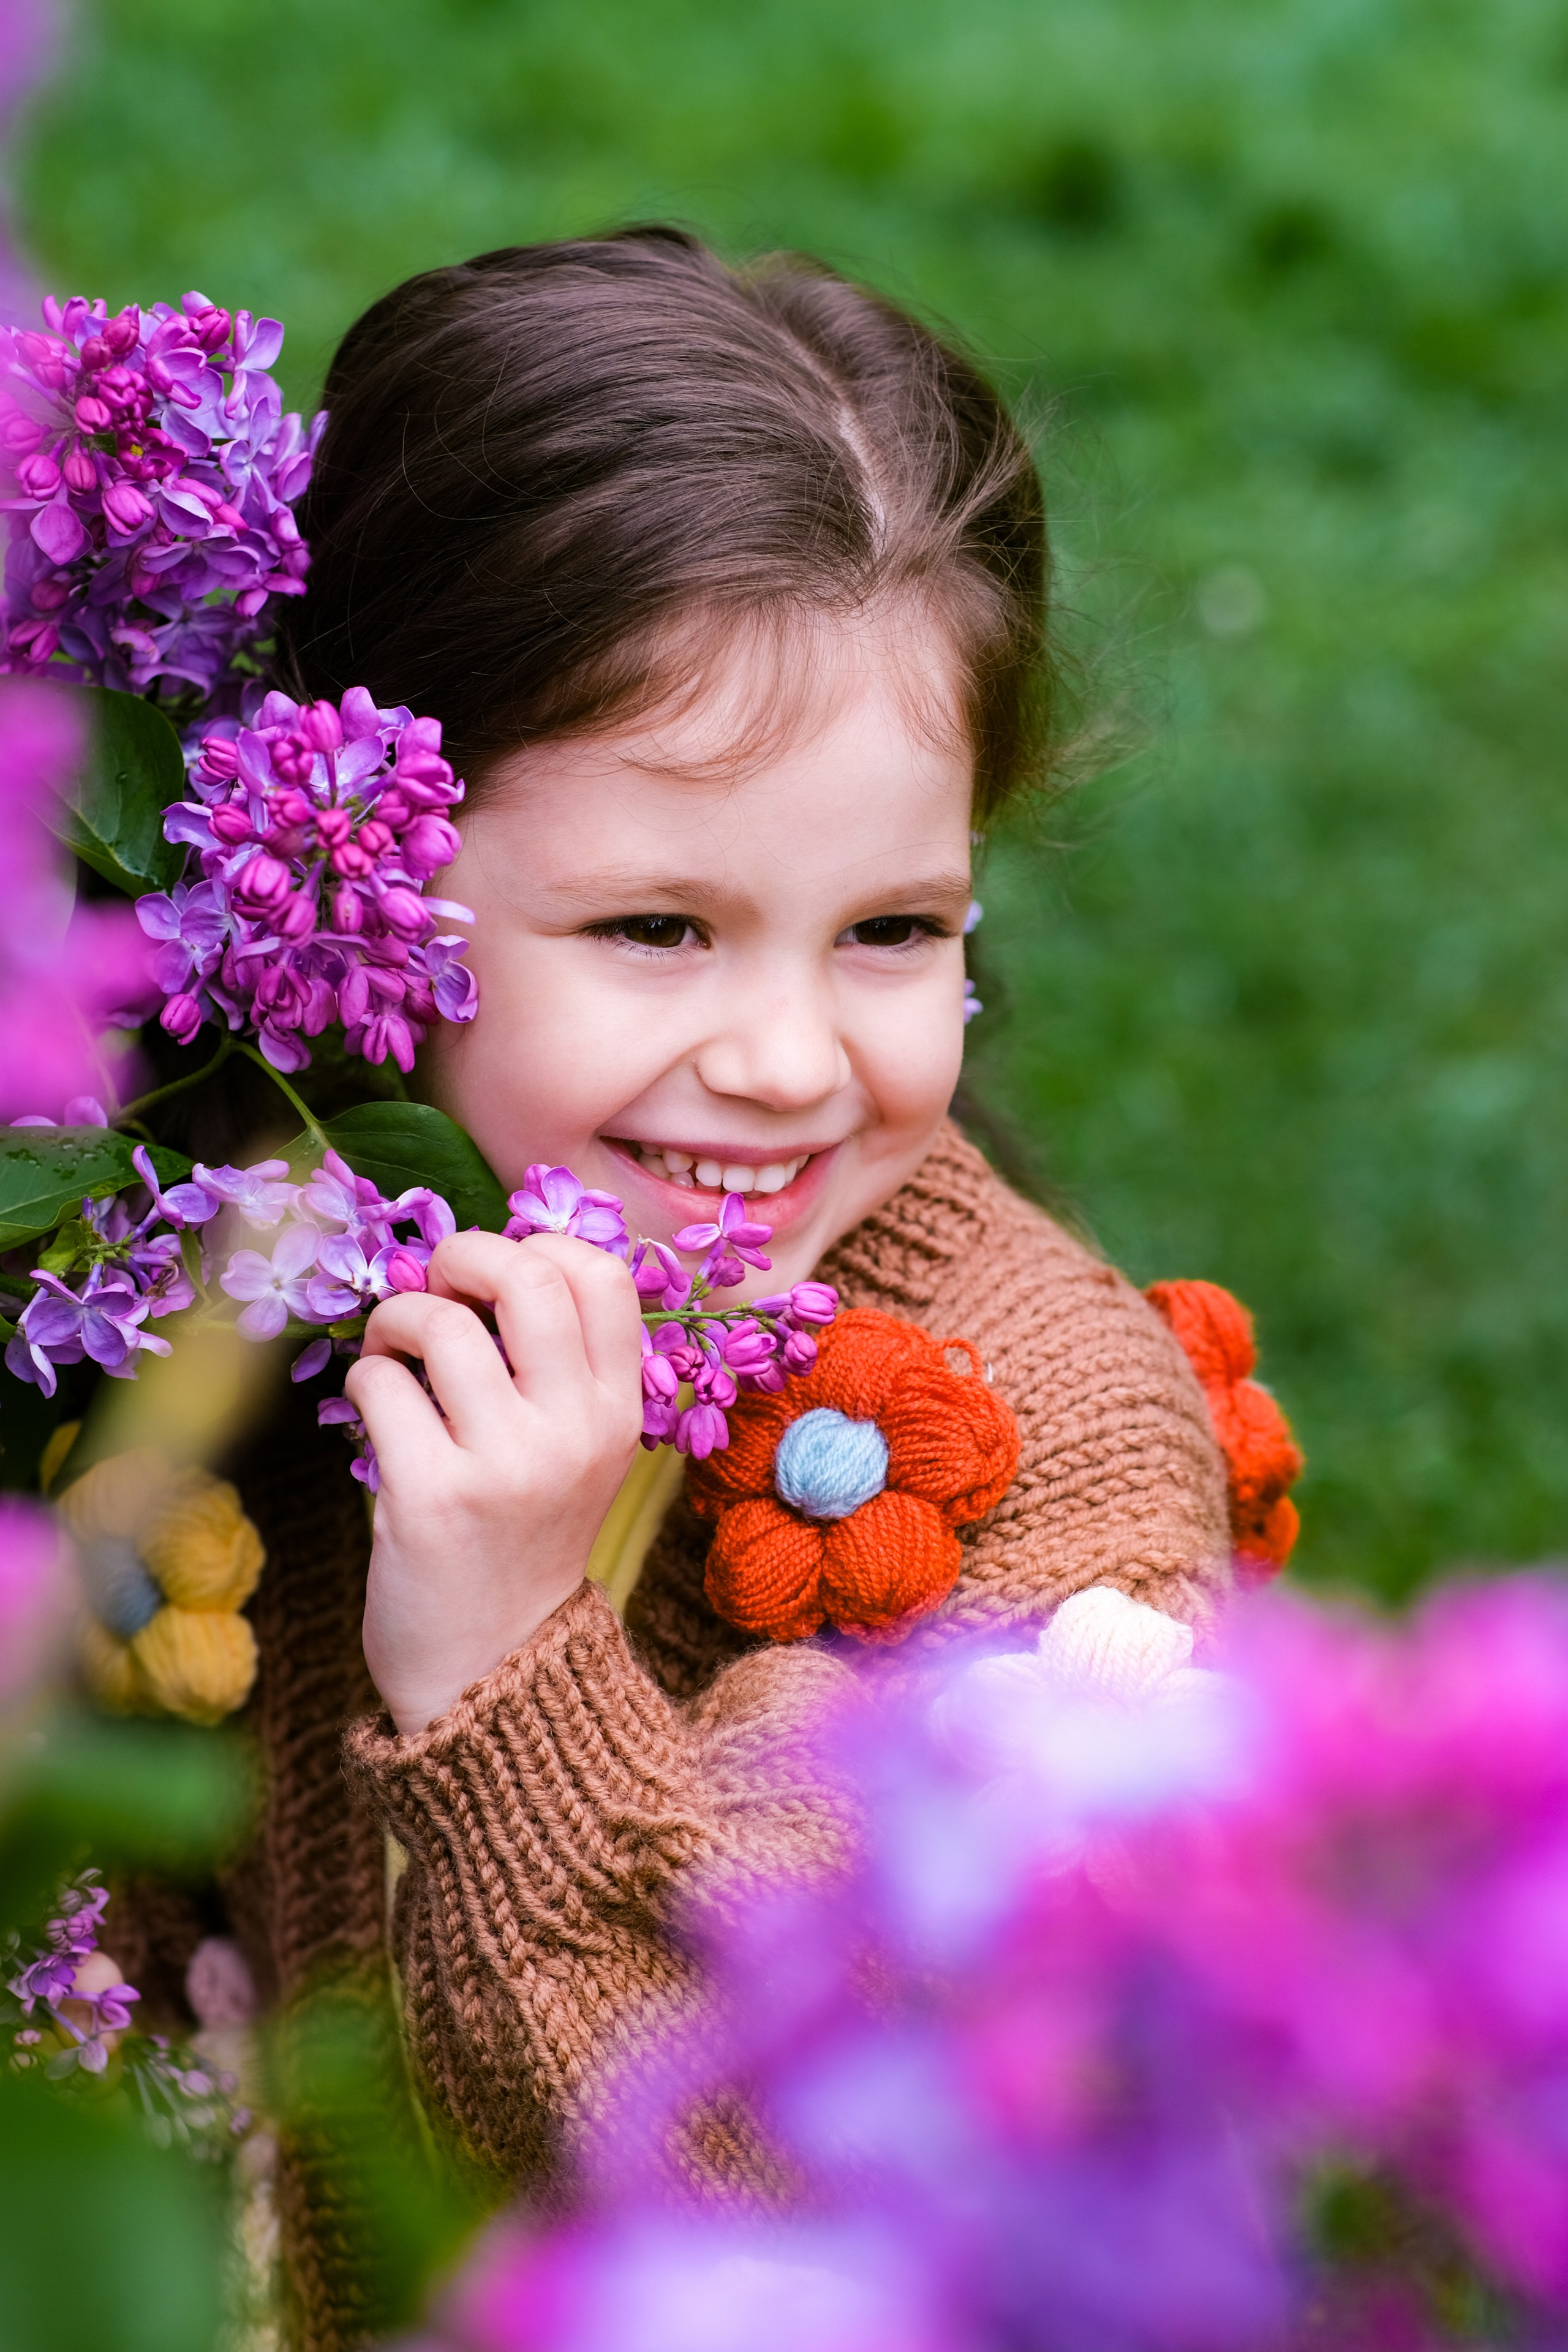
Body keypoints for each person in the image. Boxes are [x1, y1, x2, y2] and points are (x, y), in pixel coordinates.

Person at [111, 228, 1233, 2350]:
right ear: (350, 868)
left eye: (893, 928)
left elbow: (808, 2216)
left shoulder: (1049, 1502)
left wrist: (512, 1666)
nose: (796, 1062)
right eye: (655, 929)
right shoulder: (251, 1231)